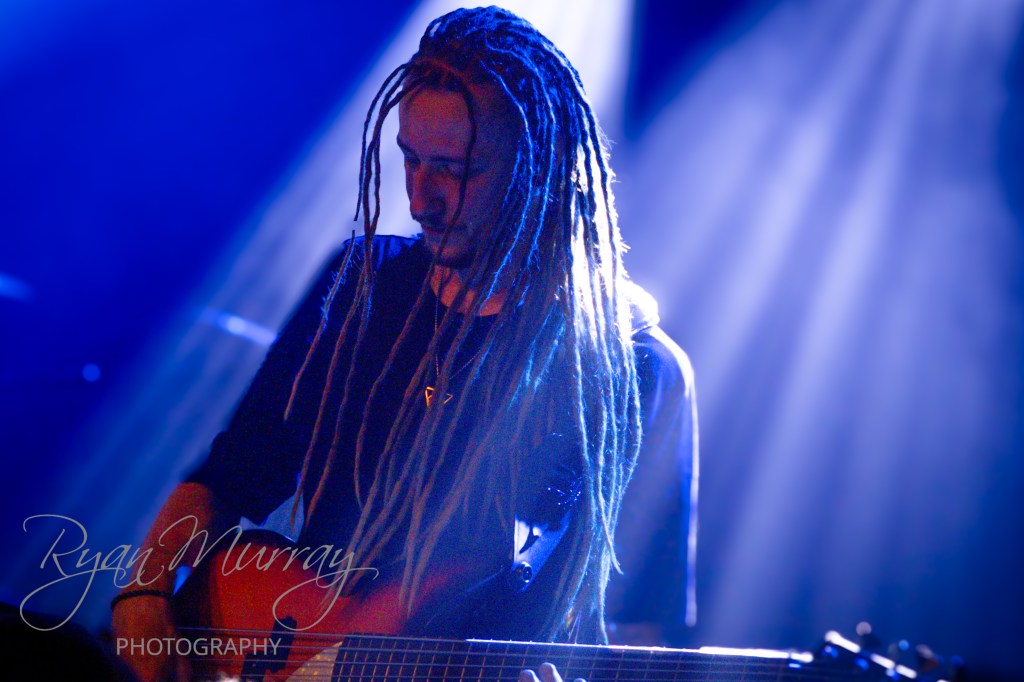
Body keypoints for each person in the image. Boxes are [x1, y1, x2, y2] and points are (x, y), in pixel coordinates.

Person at [112, 6, 697, 681]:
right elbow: (233, 471)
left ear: (539, 166)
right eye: (411, 160)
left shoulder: (635, 369)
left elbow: (641, 625)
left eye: (456, 170)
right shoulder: (359, 287)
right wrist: (145, 587)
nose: (421, 199)